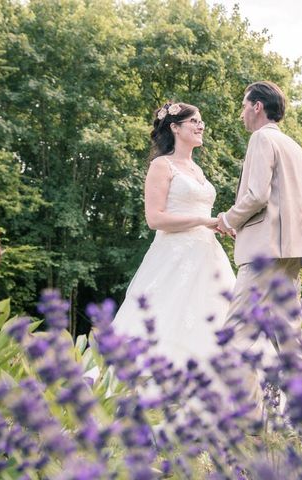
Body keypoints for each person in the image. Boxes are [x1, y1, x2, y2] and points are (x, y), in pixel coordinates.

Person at [216, 81, 302, 419]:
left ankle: (250, 421)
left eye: (244, 105)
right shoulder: (295, 147)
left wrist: (230, 220)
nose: (242, 113)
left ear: (258, 106)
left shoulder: (261, 138)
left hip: (263, 253)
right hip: (292, 252)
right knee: (290, 344)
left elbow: (257, 194)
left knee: (235, 339)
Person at [110, 102, 235, 366]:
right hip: (174, 254)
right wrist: (205, 220)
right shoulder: (161, 166)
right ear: (175, 127)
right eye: (194, 121)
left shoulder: (198, 170)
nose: (201, 126)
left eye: (201, 121)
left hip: (208, 255)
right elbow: (155, 219)